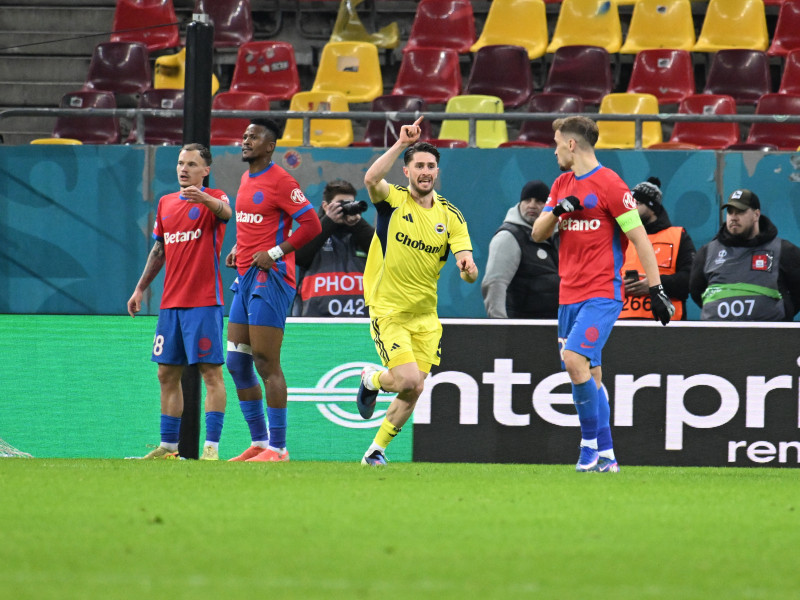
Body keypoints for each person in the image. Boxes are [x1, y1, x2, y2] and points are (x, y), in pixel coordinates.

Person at [531, 116, 674, 473]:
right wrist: (559, 211)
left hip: (601, 292)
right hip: (568, 295)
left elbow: (640, 239)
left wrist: (657, 289)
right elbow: (537, 233)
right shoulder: (562, 184)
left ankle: (588, 448)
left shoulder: (611, 185)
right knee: (591, 377)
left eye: (556, 142)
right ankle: (608, 457)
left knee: (573, 360)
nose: (554, 149)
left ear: (572, 144)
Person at [356, 116, 478, 466]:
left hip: (426, 317)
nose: (425, 171)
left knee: (414, 387)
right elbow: (370, 178)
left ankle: (375, 451)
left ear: (437, 172)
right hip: (389, 310)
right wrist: (400, 144)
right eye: (419, 165)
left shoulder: (451, 216)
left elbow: (467, 264)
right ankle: (373, 378)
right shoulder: (392, 201)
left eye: (431, 166)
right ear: (407, 171)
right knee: (407, 379)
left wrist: (468, 270)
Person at [224, 118, 322, 462]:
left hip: (273, 278)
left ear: (270, 146)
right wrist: (240, 246)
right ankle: (260, 443)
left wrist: (277, 252)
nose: (245, 140)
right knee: (236, 362)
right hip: (246, 275)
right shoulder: (245, 178)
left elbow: (312, 224)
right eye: (245, 135)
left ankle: (279, 449)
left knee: (266, 362)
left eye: (254, 137)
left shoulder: (282, 180)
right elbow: (255, 223)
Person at [127, 143, 231, 460]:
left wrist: (205, 198)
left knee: (210, 373)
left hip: (203, 301)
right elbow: (159, 250)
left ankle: (211, 448)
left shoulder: (216, 199)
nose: (183, 169)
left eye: (191, 164)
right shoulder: (166, 203)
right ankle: (169, 448)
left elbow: (228, 213)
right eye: (180, 163)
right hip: (170, 304)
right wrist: (140, 288)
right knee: (166, 375)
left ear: (205, 170)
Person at [689, 189, 800, 321]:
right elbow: (696, 291)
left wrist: (785, 311)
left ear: (756, 214)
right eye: (730, 212)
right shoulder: (707, 252)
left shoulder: (783, 250)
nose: (734, 217)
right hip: (718, 338)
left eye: (740, 211)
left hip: (769, 338)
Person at [293, 179, 375, 317]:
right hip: (316, 323)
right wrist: (328, 222)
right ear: (325, 206)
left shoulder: (361, 233)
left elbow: (384, 252)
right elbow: (299, 256)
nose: (346, 208)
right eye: (341, 204)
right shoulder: (313, 233)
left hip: (361, 322)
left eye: (350, 203)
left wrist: (358, 223)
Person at [619, 177, 696, 320]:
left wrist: (656, 284)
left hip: (665, 325)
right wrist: (618, 285)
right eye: (630, 203)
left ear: (652, 207)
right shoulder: (620, 237)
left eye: (637, 203)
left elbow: (690, 279)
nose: (631, 208)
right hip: (621, 324)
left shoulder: (678, 236)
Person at [482, 180, 559, 319]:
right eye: (527, 200)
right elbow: (495, 283)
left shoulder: (557, 237)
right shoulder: (509, 237)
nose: (532, 205)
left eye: (539, 201)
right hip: (522, 331)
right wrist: (500, 327)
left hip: (554, 329)